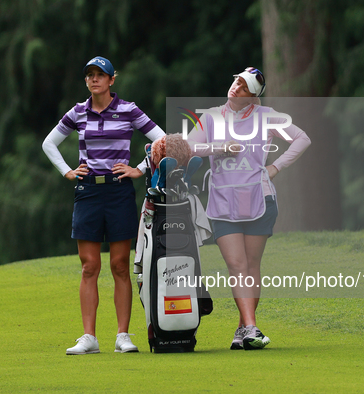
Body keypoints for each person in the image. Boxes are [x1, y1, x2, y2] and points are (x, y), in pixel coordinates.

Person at [42, 56, 165, 355]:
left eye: (101, 75)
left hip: (119, 191)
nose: (95, 79)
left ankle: (123, 335)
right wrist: (67, 171)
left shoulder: (128, 109)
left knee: (120, 265)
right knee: (89, 266)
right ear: (86, 81)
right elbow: (49, 143)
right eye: (90, 75)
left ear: (112, 80)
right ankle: (89, 337)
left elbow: (161, 138)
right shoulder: (78, 112)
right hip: (87, 191)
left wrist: (139, 168)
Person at [187, 67, 311, 350]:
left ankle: (244, 328)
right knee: (237, 264)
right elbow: (189, 147)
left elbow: (302, 138)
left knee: (252, 267)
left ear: (253, 97)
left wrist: (275, 167)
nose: (236, 88)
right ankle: (252, 328)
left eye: (244, 86)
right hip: (222, 201)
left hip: (259, 199)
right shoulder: (212, 116)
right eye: (236, 81)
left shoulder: (266, 117)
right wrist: (218, 148)